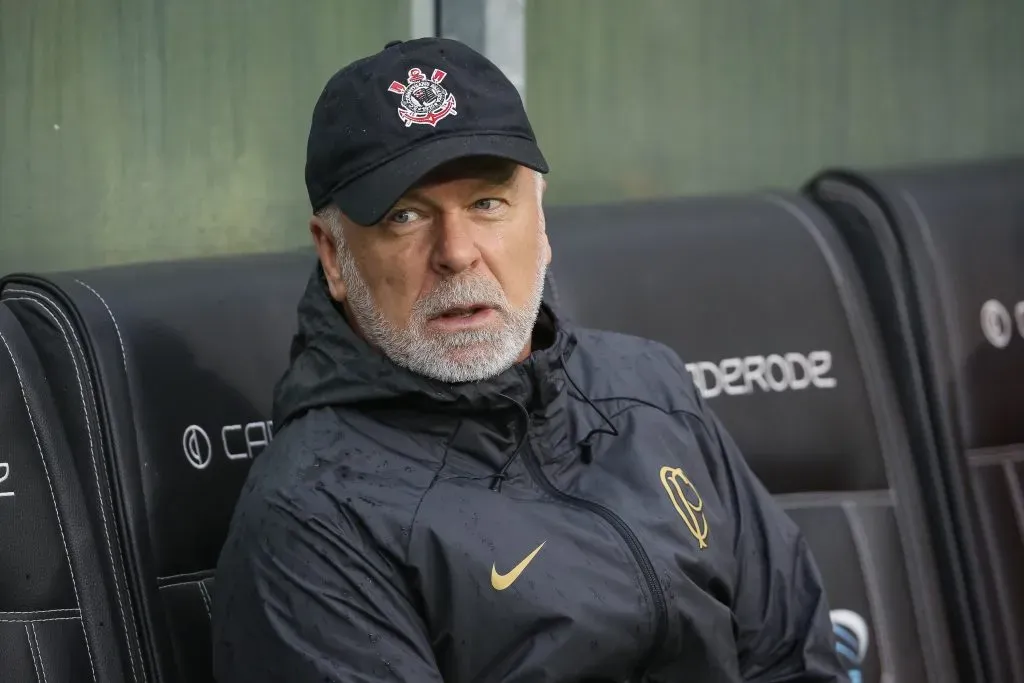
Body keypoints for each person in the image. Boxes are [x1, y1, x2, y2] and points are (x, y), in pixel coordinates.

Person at [212, 37, 847, 683]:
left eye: (488, 204)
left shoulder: (649, 386)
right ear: (333, 256)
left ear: (540, 223)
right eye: (405, 216)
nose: (456, 252)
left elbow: (793, 652)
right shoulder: (313, 514)